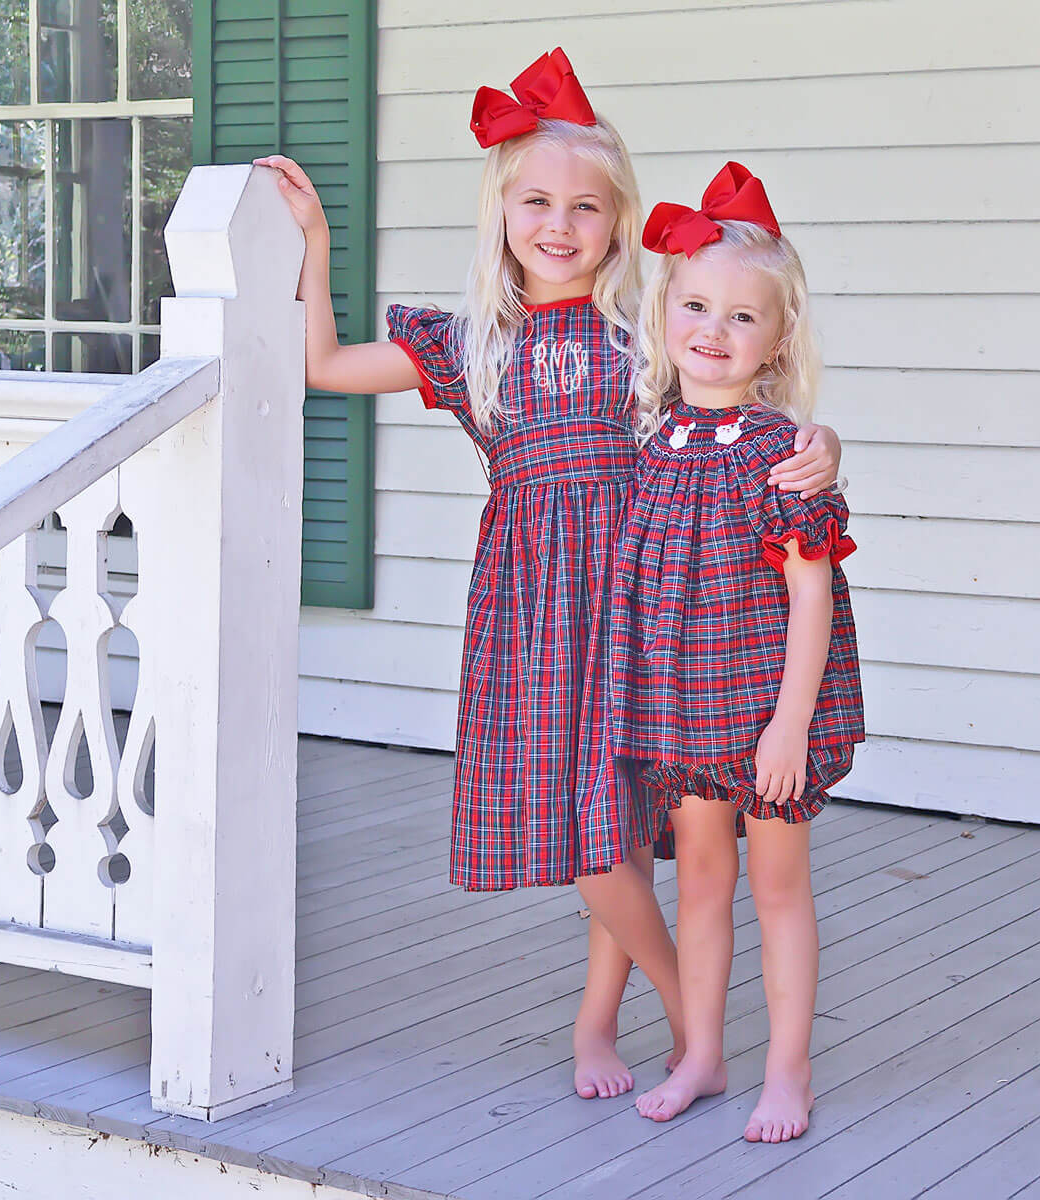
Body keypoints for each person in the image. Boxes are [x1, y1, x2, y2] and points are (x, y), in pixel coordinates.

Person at [257, 52, 843, 1101]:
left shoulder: (643, 339)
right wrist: (315, 242)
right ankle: (680, 1018)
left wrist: (824, 445)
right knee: (584, 835)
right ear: (504, 210)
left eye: (585, 206)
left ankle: (601, 1025)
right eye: (537, 200)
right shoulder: (478, 342)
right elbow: (328, 368)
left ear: (618, 224)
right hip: (533, 606)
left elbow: (744, 390)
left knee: (618, 824)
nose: (560, 224)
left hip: (644, 602)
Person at [610, 163, 864, 1139]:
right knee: (702, 879)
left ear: (780, 337)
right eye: (696, 306)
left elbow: (812, 594)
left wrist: (791, 722)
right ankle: (704, 1053)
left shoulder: (783, 450)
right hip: (684, 710)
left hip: (766, 713)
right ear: (666, 313)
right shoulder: (649, 438)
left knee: (777, 887)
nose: (714, 331)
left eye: (743, 317)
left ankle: (788, 1071)